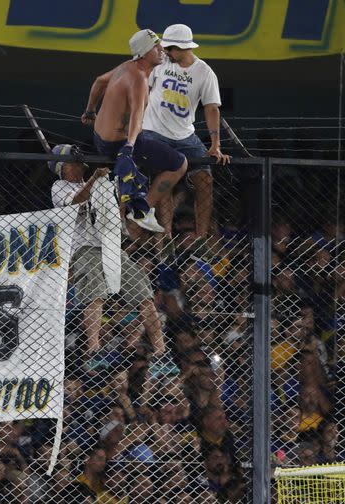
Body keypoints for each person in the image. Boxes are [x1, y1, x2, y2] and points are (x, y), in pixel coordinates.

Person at [50, 144, 165, 365]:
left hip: (111, 245)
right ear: (62, 167)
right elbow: (74, 203)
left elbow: (116, 212)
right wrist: (94, 181)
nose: (78, 165)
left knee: (142, 290)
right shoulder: (60, 186)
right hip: (84, 247)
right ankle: (94, 347)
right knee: (94, 290)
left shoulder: (100, 184)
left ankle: (160, 348)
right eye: (72, 162)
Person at [82, 29, 188, 234]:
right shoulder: (139, 79)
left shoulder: (125, 67)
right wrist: (129, 146)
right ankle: (141, 210)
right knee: (179, 163)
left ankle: (122, 212)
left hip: (100, 138)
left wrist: (90, 110)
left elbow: (99, 81)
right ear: (144, 53)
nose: (161, 50)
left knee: (147, 148)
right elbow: (137, 116)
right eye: (156, 47)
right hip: (118, 143)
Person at [141, 24, 231, 239]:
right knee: (168, 174)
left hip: (184, 135)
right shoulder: (160, 62)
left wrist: (215, 146)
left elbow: (211, 108)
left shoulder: (204, 72)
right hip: (154, 131)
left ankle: (201, 237)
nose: (166, 52)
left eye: (170, 48)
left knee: (205, 180)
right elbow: (144, 91)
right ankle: (165, 234)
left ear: (183, 47)